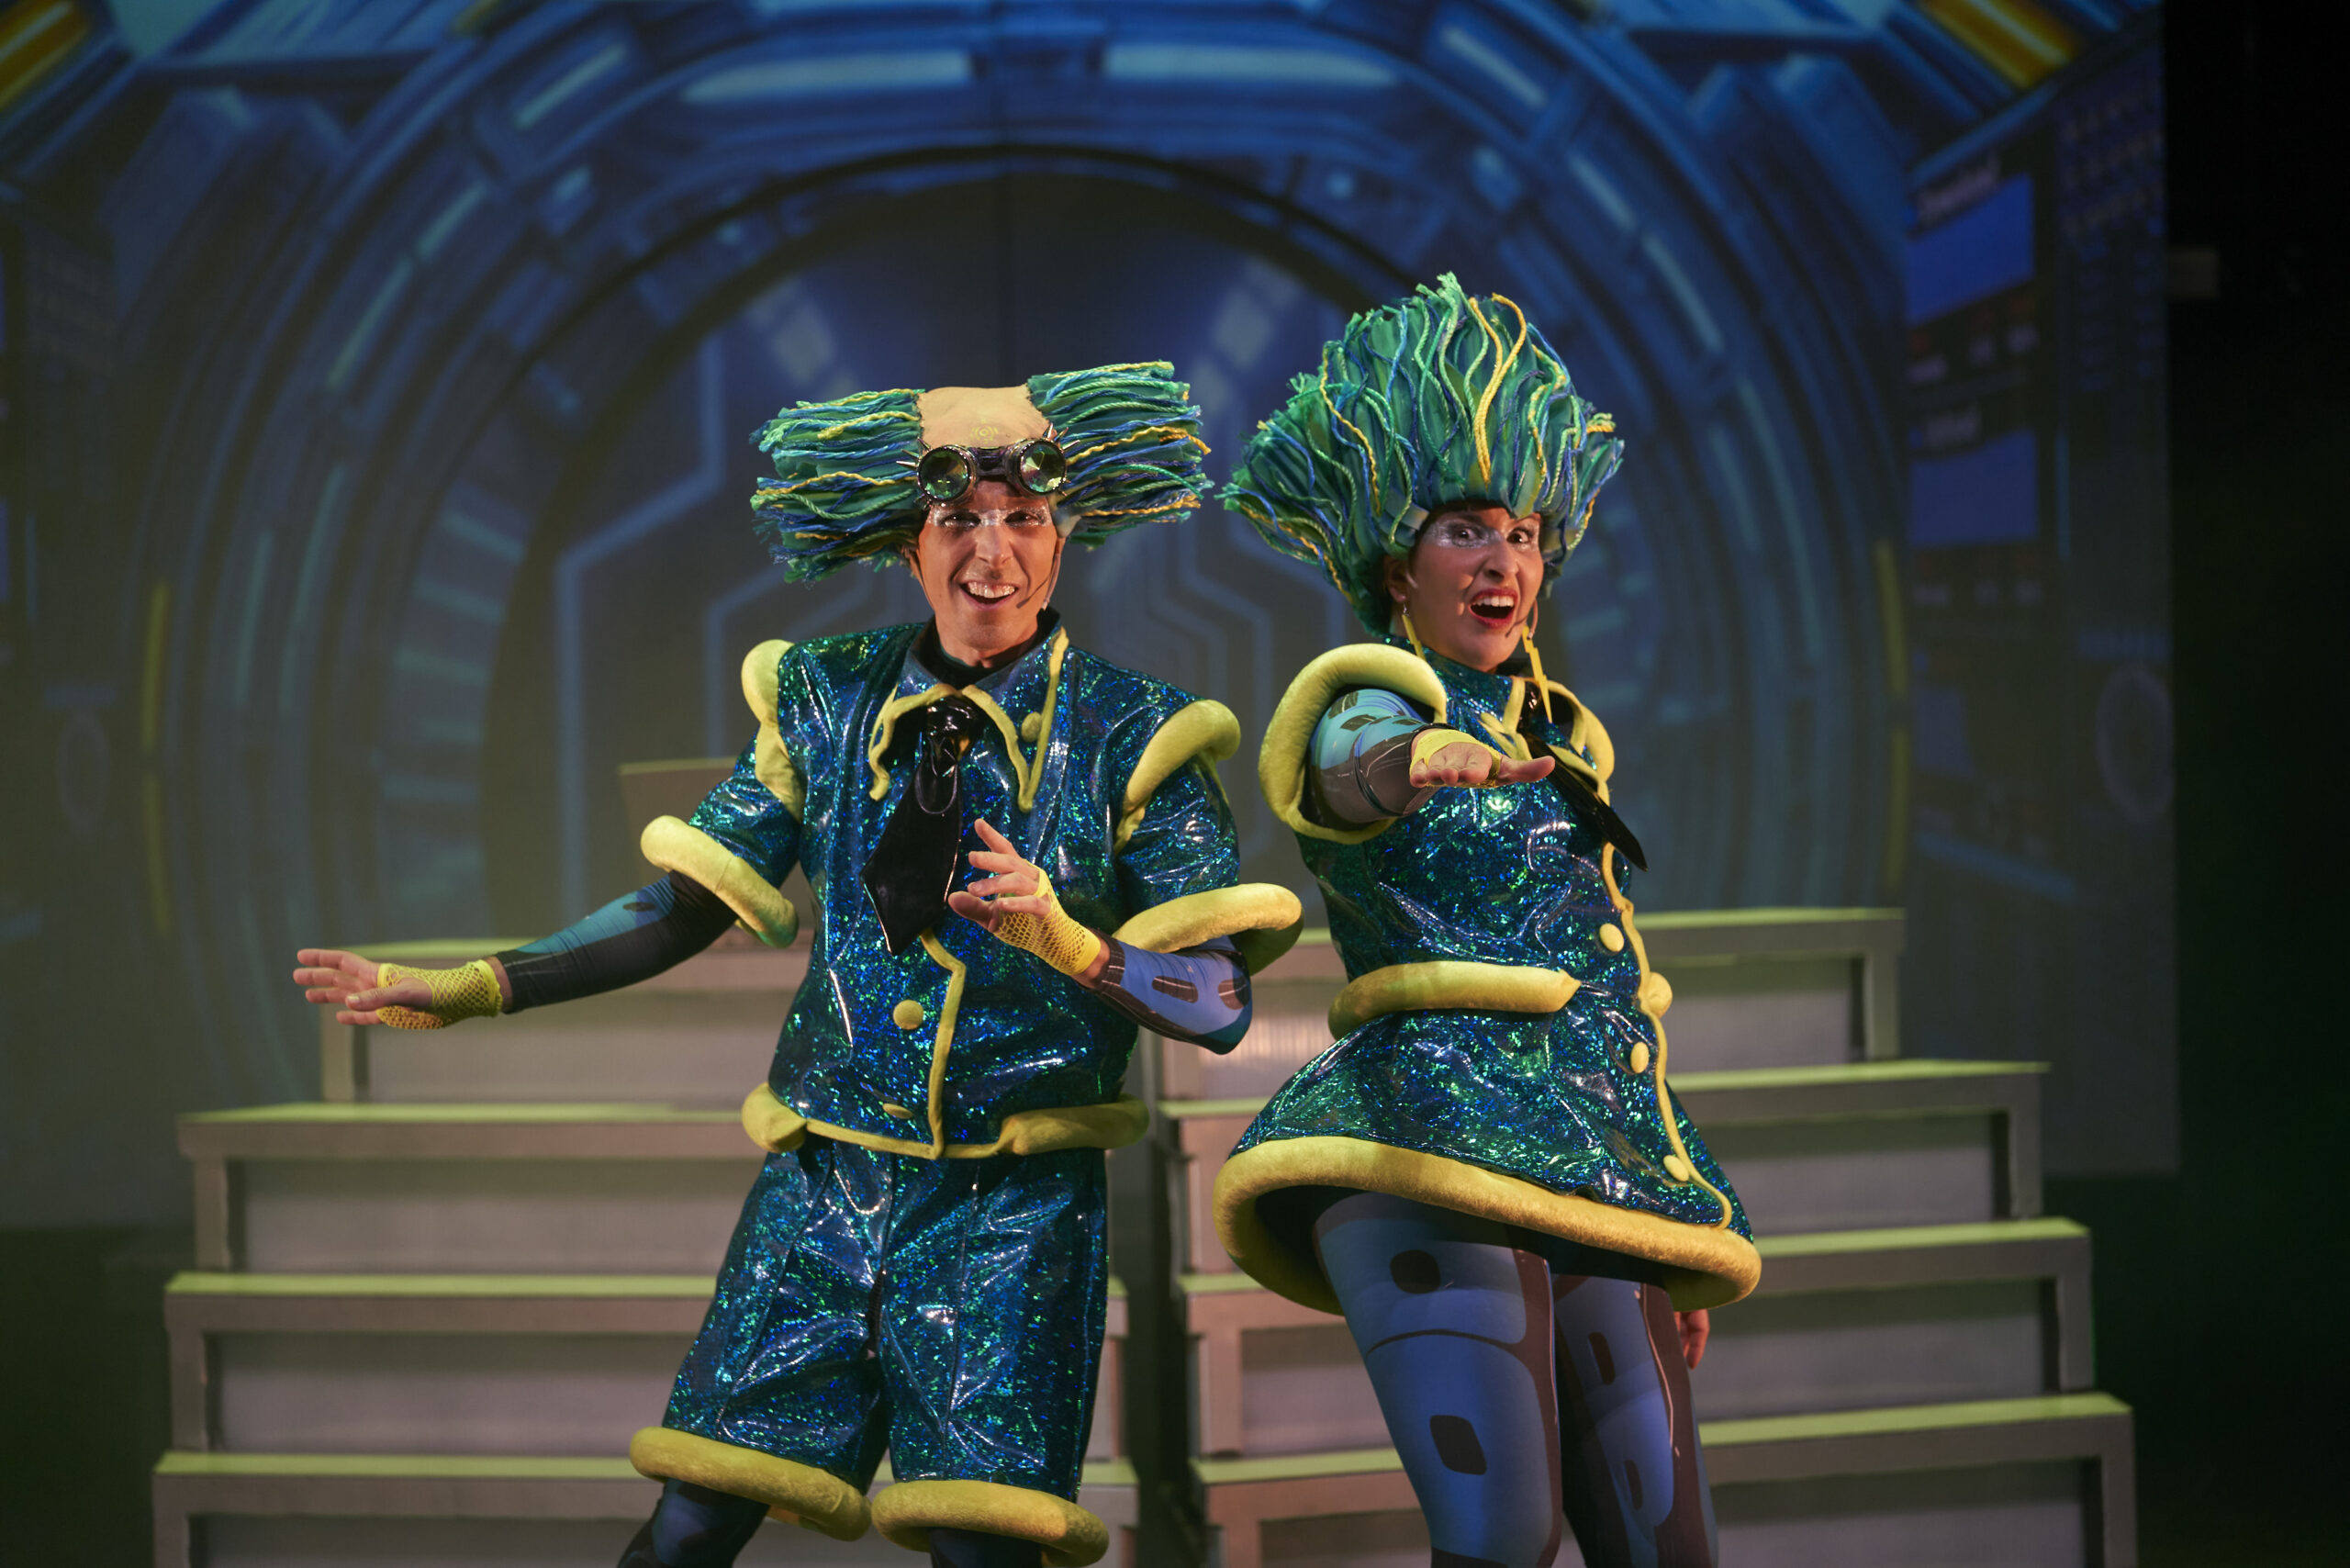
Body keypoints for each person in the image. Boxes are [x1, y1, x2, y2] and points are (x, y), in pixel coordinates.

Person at [294, 364, 1301, 1568]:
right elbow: (678, 910)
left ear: (1062, 537)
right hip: (821, 1192)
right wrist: (472, 987)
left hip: (1012, 1219)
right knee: (687, 1528)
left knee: (983, 1549)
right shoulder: (823, 700)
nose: (992, 554)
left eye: (1023, 520)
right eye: (958, 521)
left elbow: (1220, 1004)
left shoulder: (1139, 733)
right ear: (909, 544)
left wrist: (1070, 942)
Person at [1214, 277, 1760, 1568]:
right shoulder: (1374, 694)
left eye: (1523, 533)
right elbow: (1343, 768)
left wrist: (1666, 1208)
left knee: (1667, 1547)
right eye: (1466, 529)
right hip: (1427, 1147)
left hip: (1586, 1159)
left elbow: (1605, 979)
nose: (1505, 559)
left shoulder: (1562, 737)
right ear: (1399, 567)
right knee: (1504, 1538)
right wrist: (1413, 762)